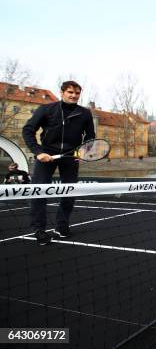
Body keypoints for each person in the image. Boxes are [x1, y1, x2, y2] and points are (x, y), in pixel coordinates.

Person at [22, 80, 95, 245]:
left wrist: (82, 151)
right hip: (46, 154)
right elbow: (28, 130)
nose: (74, 96)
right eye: (70, 92)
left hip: (71, 157)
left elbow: (90, 137)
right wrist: (38, 152)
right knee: (39, 192)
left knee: (69, 192)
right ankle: (39, 230)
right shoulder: (46, 109)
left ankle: (61, 226)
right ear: (62, 92)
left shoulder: (85, 113)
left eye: (77, 93)